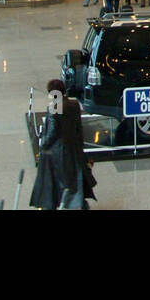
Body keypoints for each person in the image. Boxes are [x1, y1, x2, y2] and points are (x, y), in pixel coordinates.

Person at [30, 79, 97, 210]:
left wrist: (43, 146)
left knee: (57, 182)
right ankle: (80, 204)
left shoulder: (54, 108)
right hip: (74, 149)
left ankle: (55, 204)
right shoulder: (74, 104)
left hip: (58, 152)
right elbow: (78, 127)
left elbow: (52, 133)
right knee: (74, 179)